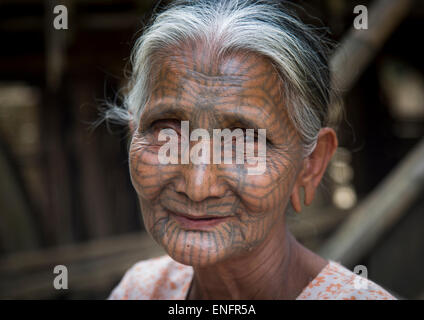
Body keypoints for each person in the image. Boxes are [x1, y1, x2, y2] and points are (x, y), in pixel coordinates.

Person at [107, 0, 395, 300]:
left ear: (311, 164)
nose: (197, 187)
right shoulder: (141, 289)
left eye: (244, 143)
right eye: (167, 132)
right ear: (133, 134)